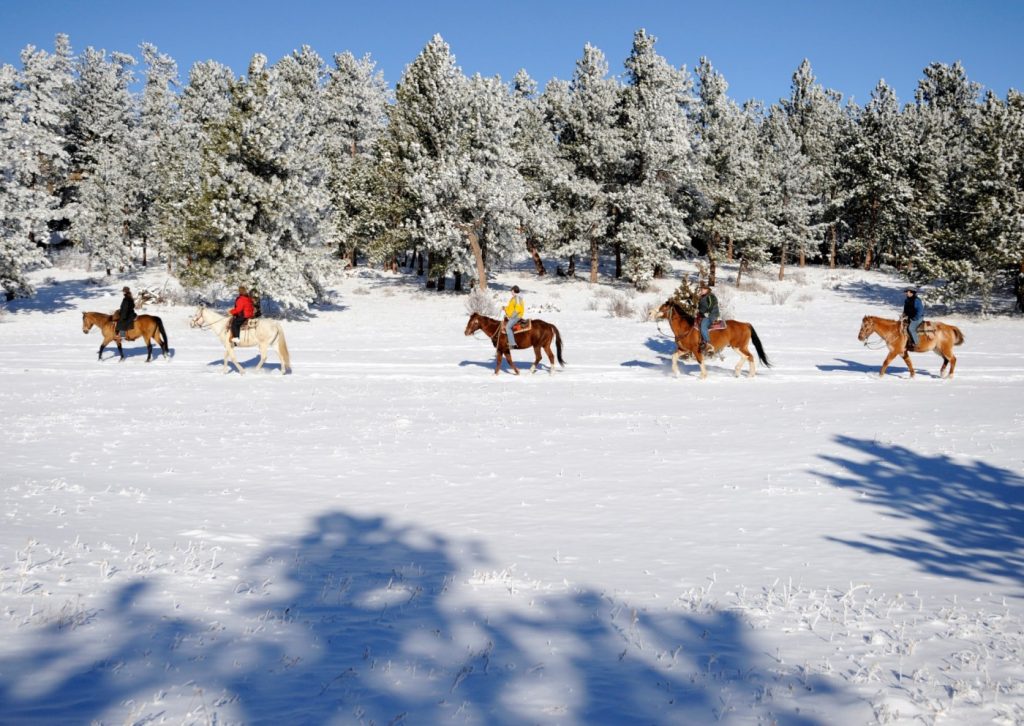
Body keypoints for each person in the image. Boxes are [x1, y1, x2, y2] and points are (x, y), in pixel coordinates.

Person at [696, 282, 719, 354]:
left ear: (707, 290)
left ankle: (708, 343)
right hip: (704, 315)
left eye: (703, 289)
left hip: (712, 315)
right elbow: (701, 307)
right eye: (701, 289)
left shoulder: (711, 296)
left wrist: (708, 312)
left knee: (703, 326)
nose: (702, 290)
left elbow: (712, 304)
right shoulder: (702, 297)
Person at [504, 285, 525, 349]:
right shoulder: (514, 298)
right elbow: (511, 308)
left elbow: (517, 309)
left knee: (507, 327)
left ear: (514, 291)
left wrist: (511, 316)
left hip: (516, 316)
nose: (511, 292)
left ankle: (512, 344)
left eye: (511, 291)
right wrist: (505, 308)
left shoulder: (517, 298)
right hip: (513, 316)